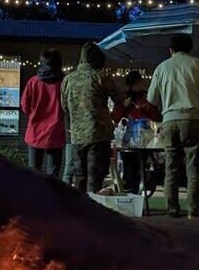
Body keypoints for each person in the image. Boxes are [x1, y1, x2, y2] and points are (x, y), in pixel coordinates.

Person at [147, 34, 199, 218]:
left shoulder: (161, 67)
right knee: (194, 167)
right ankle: (193, 210)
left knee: (171, 167)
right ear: (190, 48)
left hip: (169, 119)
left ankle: (172, 209)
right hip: (194, 119)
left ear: (171, 49)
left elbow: (151, 99)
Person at [60, 42, 122, 194]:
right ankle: (93, 210)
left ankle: (80, 211)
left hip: (77, 135)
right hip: (99, 134)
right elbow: (119, 99)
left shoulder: (68, 80)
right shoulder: (101, 77)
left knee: (79, 176)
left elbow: (64, 107)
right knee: (95, 176)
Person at [19, 48, 66, 178]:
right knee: (54, 176)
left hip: (35, 132)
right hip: (55, 133)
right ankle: (52, 197)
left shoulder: (34, 82)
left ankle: (35, 197)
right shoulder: (63, 83)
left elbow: (24, 105)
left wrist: (34, 114)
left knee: (34, 175)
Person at [112, 71, 160, 193]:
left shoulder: (146, 99)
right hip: (128, 140)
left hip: (144, 140)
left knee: (141, 168)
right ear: (130, 85)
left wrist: (146, 109)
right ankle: (130, 192)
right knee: (129, 168)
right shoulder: (124, 99)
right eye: (137, 84)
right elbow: (116, 117)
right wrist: (124, 105)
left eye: (140, 83)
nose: (140, 85)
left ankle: (137, 193)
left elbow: (156, 116)